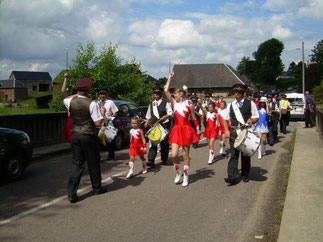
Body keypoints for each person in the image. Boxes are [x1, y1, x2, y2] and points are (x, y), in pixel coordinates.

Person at [63, 77, 106, 203]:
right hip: (88, 135)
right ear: (88, 90)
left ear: (77, 90)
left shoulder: (69, 102)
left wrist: (77, 92)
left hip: (75, 135)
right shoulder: (92, 103)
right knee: (93, 162)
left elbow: (65, 95)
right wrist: (102, 114)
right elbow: (98, 123)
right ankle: (97, 188)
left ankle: (71, 193)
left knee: (77, 164)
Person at [164, 72, 200, 187]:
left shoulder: (189, 105)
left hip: (186, 129)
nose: (174, 95)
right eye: (173, 93)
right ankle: (178, 172)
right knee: (174, 155)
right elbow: (165, 90)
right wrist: (170, 77)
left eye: (175, 93)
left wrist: (198, 129)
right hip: (176, 129)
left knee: (185, 155)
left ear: (181, 94)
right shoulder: (174, 103)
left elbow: (194, 118)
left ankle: (186, 176)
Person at [222, 84, 259, 184]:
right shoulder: (230, 105)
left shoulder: (250, 104)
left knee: (245, 155)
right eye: (235, 92)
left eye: (239, 92)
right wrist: (226, 130)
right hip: (234, 132)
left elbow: (256, 116)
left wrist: (252, 121)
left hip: (246, 131)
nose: (236, 94)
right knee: (234, 155)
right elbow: (225, 119)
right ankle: (232, 176)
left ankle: (245, 174)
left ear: (243, 93)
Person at [144, 86, 173, 168]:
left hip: (163, 125)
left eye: (157, 93)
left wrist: (165, 117)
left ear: (160, 94)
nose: (156, 95)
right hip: (154, 126)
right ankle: (151, 161)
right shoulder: (152, 104)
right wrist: (147, 122)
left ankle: (164, 159)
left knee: (164, 144)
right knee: (153, 143)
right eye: (155, 93)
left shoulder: (165, 103)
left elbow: (170, 113)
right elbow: (148, 115)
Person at [97, 88, 119, 160]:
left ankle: (111, 155)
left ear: (106, 95)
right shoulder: (97, 103)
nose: (102, 95)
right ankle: (98, 157)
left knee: (110, 140)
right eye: (101, 94)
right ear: (99, 95)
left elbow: (115, 113)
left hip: (108, 123)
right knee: (99, 140)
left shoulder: (110, 102)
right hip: (100, 123)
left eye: (104, 94)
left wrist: (109, 117)